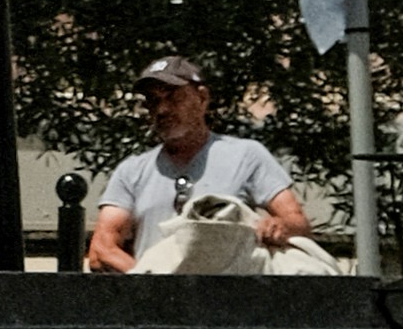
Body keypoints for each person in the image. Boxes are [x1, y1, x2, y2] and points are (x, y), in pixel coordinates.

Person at [86, 55, 315, 275]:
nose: (162, 110)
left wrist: (277, 227)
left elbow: (297, 223)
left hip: (227, 304)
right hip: (157, 306)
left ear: (202, 99)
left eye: (174, 98)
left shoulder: (246, 155)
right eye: (154, 101)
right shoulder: (132, 171)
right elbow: (102, 249)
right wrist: (154, 282)